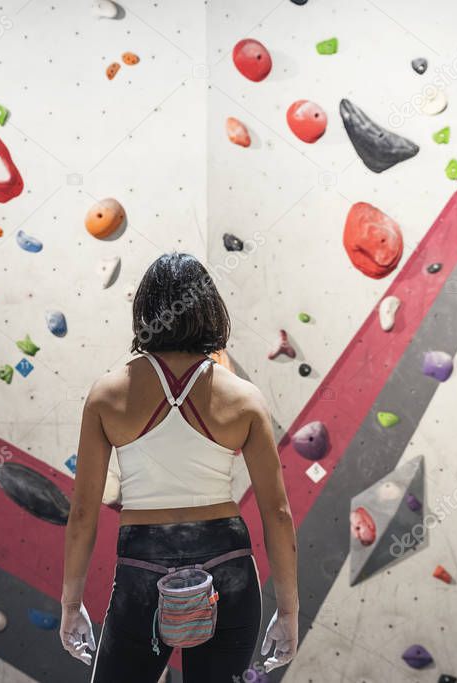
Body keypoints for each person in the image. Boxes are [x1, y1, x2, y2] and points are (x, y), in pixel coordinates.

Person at [59, 252, 299, 681]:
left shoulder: (107, 395)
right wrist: (289, 611)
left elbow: (82, 513)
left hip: (141, 566)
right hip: (229, 566)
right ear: (210, 309)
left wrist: (71, 605)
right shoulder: (244, 398)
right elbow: (277, 513)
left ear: (143, 312)